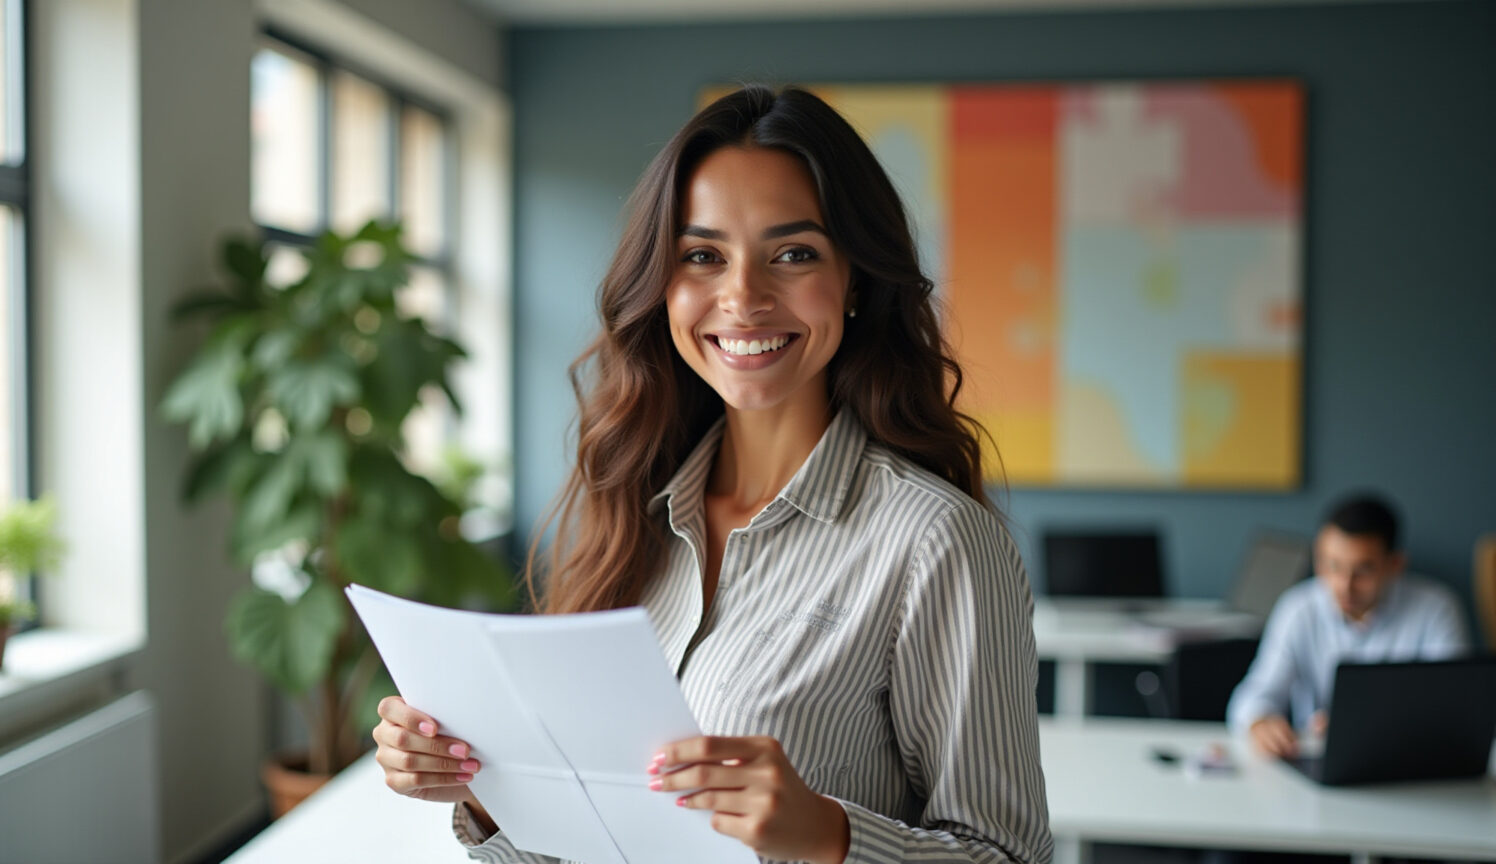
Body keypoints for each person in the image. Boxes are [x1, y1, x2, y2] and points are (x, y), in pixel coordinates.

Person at [371, 85, 1054, 863]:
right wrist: (486, 795)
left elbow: (1010, 855)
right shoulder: (631, 517)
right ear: (664, 285)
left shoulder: (936, 543)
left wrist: (830, 837)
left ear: (856, 280)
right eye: (703, 256)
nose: (743, 298)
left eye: (792, 254)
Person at [1227, 492, 1470, 758]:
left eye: (1363, 571)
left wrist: (1368, 729)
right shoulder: (1298, 608)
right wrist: (1260, 722)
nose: (1344, 586)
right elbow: (1254, 694)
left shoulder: (1436, 609)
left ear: (1395, 564)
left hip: (1409, 762)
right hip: (1319, 764)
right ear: (1318, 559)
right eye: (1333, 566)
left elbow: (1453, 708)